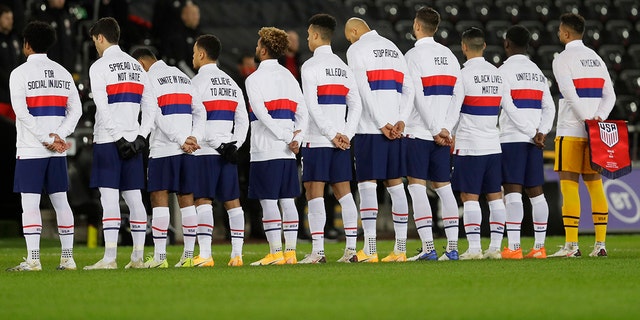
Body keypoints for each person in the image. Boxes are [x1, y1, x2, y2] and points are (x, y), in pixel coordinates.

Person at [439, 27, 536, 260]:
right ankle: (494, 248)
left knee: (469, 196)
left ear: (464, 47)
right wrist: (534, 131)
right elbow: (512, 109)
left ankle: (473, 249)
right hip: (494, 145)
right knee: (495, 196)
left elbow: (454, 109)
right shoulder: (497, 74)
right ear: (484, 46)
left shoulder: (462, 75)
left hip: (470, 145)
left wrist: (444, 131)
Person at [7, 21, 81, 271]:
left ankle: (34, 259)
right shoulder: (62, 72)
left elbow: (22, 113)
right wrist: (58, 135)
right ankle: (68, 258)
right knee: (61, 202)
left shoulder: (19, 74)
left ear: (27, 45)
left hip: (30, 149)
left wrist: (45, 138)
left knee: (29, 203)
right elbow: (76, 111)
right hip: (56, 151)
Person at [84, 17, 157, 270]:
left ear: (101, 38)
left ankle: (110, 258)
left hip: (108, 140)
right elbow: (151, 106)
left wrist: (117, 138)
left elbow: (102, 107)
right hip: (133, 141)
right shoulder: (136, 67)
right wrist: (140, 137)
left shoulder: (99, 66)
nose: (95, 45)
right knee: (135, 198)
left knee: (109, 198)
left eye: (95, 41)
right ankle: (137, 257)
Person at [344, 17, 414, 262]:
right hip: (395, 128)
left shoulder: (356, 49)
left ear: (354, 31)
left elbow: (363, 88)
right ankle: (401, 250)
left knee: (367, 185)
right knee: (396, 185)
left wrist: (380, 121)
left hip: (370, 128)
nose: (349, 41)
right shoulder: (393, 48)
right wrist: (400, 120)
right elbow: (409, 88)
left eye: (348, 36)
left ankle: (371, 249)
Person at [131, 47, 205, 268]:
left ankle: (161, 258)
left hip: (164, 148)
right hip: (188, 150)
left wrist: (181, 138)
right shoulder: (183, 76)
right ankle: (188, 256)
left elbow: (155, 114)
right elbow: (200, 111)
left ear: (141, 64)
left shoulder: (149, 79)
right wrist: (194, 137)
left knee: (158, 197)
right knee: (187, 199)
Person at [550, 13, 615, 258]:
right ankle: (600, 245)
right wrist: (598, 119)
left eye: (559, 30)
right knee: (595, 186)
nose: (558, 34)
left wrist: (587, 120)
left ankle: (571, 246)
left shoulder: (563, 59)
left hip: (571, 130)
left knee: (569, 186)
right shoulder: (596, 58)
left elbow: (569, 93)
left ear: (566, 33)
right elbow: (611, 96)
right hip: (596, 133)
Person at [298, 13, 362, 264]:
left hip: (318, 139)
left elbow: (311, 106)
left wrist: (331, 134)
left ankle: (318, 252)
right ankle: (350, 251)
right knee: (344, 194)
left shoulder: (310, 66)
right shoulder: (343, 67)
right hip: (341, 141)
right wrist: (346, 134)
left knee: (314, 192)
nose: (307, 39)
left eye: (308, 35)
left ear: (315, 35)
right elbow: (355, 105)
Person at [403, 7, 462, 262]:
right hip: (443, 134)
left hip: (419, 132)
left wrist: (435, 128)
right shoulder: (449, 55)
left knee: (417, 187)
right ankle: (452, 248)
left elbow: (416, 96)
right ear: (435, 28)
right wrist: (446, 128)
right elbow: (458, 95)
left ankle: (428, 247)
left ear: (417, 26)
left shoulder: (413, 55)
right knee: (444, 187)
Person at [245, 27, 308, 266]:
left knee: (269, 201)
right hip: (288, 151)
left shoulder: (253, 78)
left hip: (265, 148)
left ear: (262, 49)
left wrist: (284, 136)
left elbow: (261, 113)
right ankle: (290, 253)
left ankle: (275, 253)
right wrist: (296, 139)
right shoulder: (289, 76)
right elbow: (302, 112)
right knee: (288, 200)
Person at [191, 34, 249, 267]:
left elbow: (197, 121)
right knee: (233, 202)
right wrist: (234, 145)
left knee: (203, 201)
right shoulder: (231, 82)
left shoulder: (196, 83)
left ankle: (205, 255)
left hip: (206, 151)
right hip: (228, 154)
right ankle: (237, 255)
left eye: (195, 52)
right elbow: (243, 119)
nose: (193, 56)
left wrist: (219, 145)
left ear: (202, 54)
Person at [499, 25, 556, 259]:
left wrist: (530, 131)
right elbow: (549, 107)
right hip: (536, 141)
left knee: (512, 192)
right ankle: (539, 247)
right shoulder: (537, 72)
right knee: (536, 193)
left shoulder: (503, 71)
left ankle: (514, 248)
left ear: (507, 44)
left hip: (513, 138)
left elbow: (508, 106)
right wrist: (541, 131)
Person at [28, 0, 77, 73]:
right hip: (46, 69)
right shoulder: (41, 17)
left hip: (66, 68)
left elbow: (73, 42)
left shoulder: (67, 16)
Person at [161, 1, 201, 76]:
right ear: (183, 16)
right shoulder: (177, 37)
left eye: (197, 14)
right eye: (192, 14)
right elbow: (181, 63)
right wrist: (195, 80)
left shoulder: (202, 36)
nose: (196, 17)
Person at [0, 4, 20, 121]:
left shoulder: (15, 39)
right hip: (1, 96)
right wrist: (10, 81)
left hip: (15, 99)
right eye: (7, 18)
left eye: (11, 18)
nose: (10, 21)